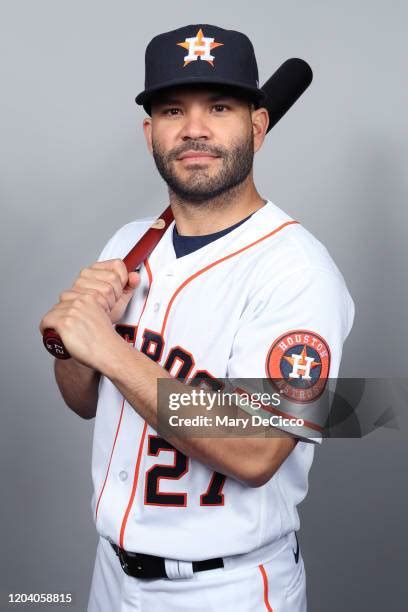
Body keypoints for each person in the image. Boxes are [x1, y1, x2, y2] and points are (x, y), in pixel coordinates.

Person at [40, 24, 355, 612]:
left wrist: (107, 349)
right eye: (171, 110)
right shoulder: (129, 243)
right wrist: (74, 344)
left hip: (225, 588)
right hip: (109, 576)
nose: (194, 130)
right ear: (149, 133)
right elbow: (84, 400)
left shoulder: (298, 272)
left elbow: (258, 448)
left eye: (219, 107)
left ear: (257, 127)